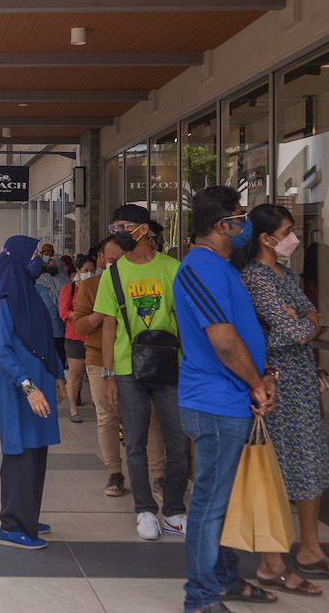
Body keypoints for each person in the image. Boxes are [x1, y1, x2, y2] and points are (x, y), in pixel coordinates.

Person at [233, 204, 329, 592]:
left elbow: (313, 319)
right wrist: (304, 324)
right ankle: (273, 561)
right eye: (286, 231)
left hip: (301, 383)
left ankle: (310, 549)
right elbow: (296, 329)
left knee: (312, 463)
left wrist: (306, 323)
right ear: (265, 238)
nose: (293, 238)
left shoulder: (283, 273)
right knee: (279, 469)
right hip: (276, 384)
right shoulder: (255, 277)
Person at [174, 186, 279, 611]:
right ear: (222, 226)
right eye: (240, 215)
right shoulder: (200, 267)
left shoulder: (221, 266)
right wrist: (256, 382)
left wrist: (262, 377)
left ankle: (225, 578)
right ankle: (200, 597)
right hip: (214, 404)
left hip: (231, 399)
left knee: (224, 500)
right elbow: (223, 341)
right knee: (209, 505)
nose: (245, 223)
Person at [95, 203, 189, 541]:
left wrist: (190, 362)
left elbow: (182, 321)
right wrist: (107, 375)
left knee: (177, 442)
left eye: (124, 225)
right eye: (114, 224)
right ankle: (145, 510)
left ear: (144, 229)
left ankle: (175, 511)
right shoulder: (113, 273)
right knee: (133, 442)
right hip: (126, 369)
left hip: (170, 366)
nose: (119, 231)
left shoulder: (173, 268)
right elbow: (108, 328)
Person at [0, 236, 66, 550]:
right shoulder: (5, 298)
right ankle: (13, 525)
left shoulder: (27, 293)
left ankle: (27, 513)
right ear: (16, 258)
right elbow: (2, 351)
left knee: (36, 446)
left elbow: (45, 338)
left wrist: (57, 374)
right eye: (33, 254)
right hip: (16, 384)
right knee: (20, 447)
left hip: (37, 382)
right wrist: (28, 386)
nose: (39, 259)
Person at [73, 237, 166, 497]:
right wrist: (102, 311)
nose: (117, 265)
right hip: (99, 359)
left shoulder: (141, 281)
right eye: (111, 261)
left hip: (142, 359)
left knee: (150, 418)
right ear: (100, 259)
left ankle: (159, 476)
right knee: (107, 418)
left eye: (122, 258)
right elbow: (79, 325)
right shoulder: (91, 286)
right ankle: (114, 472)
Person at [59, 254, 96, 423]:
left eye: (92, 270)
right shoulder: (70, 289)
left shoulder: (99, 288)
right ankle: (73, 408)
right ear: (78, 271)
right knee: (75, 373)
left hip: (95, 336)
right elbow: (64, 312)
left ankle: (100, 404)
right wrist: (84, 316)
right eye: (85, 270)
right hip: (74, 336)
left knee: (96, 373)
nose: (89, 273)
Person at [35, 269, 68, 367]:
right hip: (46, 323)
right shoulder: (41, 284)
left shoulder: (66, 283)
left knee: (60, 348)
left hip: (62, 323)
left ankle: (60, 372)